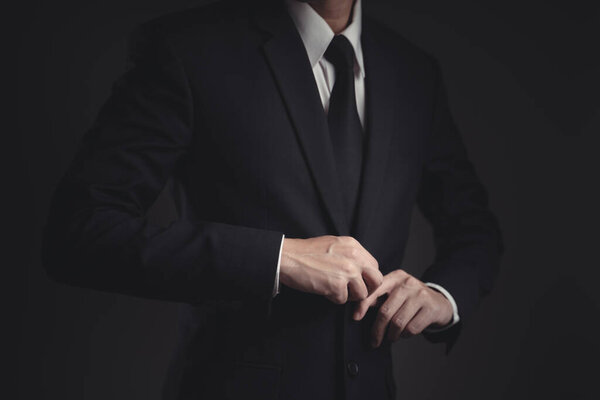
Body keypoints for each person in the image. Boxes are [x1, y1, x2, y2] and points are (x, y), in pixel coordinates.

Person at [42, 0, 503, 399]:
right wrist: (278, 258)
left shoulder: (414, 71)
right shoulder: (188, 48)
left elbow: (474, 228)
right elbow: (79, 230)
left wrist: (443, 297)